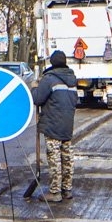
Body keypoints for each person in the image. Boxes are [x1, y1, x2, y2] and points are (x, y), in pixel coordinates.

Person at [33, 50, 80, 203]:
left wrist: (34, 88)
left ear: (52, 62)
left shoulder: (49, 79)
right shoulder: (72, 79)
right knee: (67, 157)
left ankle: (55, 192)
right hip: (67, 124)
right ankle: (67, 189)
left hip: (52, 124)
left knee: (54, 158)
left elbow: (37, 99)